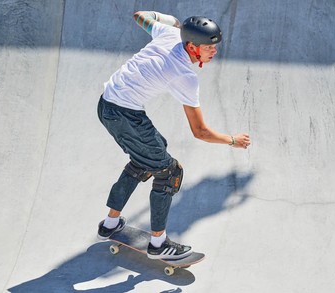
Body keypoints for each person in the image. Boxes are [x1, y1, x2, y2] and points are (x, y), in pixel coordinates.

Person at [97, 10, 251, 260]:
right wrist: (232, 140)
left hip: (106, 105)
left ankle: (110, 224)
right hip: (125, 115)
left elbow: (140, 16)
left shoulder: (169, 33)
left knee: (146, 159)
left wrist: (170, 22)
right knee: (169, 172)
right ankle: (158, 244)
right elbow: (200, 131)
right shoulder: (183, 74)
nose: (214, 52)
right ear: (192, 46)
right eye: (209, 48)